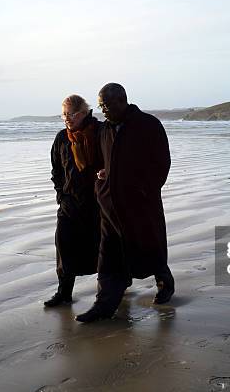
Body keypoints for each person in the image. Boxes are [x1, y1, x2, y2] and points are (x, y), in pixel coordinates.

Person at [75, 83, 175, 323]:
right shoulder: (105, 130)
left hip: (140, 205)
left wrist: (144, 190)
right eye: (100, 106)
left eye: (106, 105)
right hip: (110, 205)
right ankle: (104, 305)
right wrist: (101, 180)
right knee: (108, 255)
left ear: (122, 100)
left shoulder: (148, 125)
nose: (103, 110)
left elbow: (162, 163)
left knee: (149, 248)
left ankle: (164, 283)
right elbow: (101, 161)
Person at [45, 95, 102, 307]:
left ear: (83, 113)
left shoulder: (99, 132)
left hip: (97, 204)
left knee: (101, 249)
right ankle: (64, 292)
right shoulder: (62, 138)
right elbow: (56, 170)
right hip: (69, 204)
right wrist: (61, 195)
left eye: (71, 114)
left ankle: (111, 290)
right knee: (64, 245)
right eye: (64, 114)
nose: (67, 119)